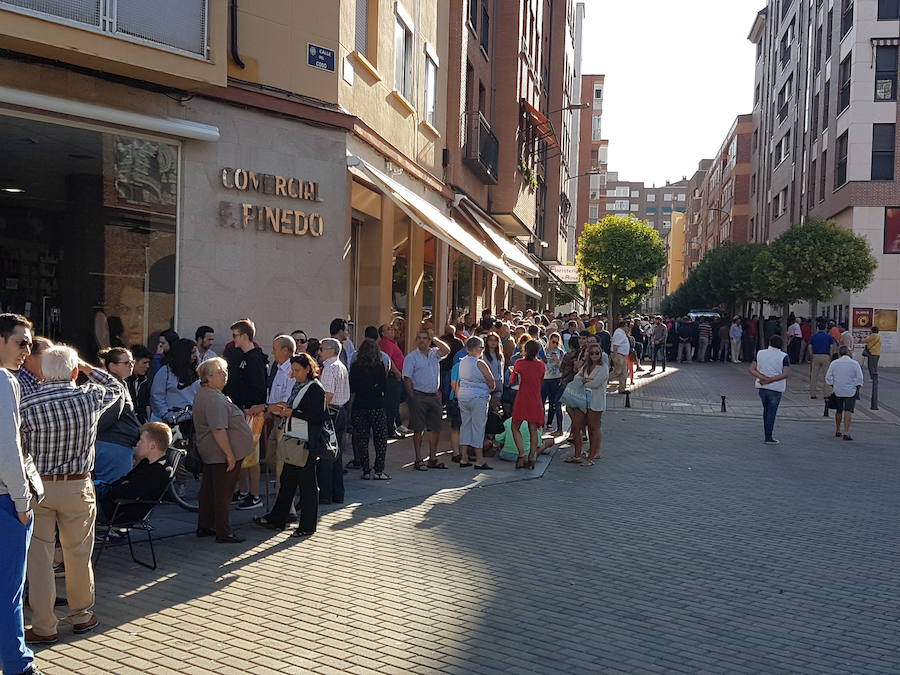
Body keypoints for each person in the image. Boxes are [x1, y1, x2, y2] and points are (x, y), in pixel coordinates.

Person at [21, 345, 124, 644]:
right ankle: (81, 616)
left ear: (42, 372)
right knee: (78, 553)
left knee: (39, 558)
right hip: (78, 485)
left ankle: (43, 625)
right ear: (75, 371)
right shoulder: (88, 397)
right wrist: (88, 367)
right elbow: (116, 386)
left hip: (38, 486)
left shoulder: (27, 403)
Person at [0, 314, 46, 675]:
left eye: (30, 343)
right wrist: (21, 501)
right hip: (5, 500)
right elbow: (9, 449)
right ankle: (18, 665)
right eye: (21, 342)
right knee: (9, 590)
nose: (27, 350)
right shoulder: (4, 380)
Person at [255, 353, 325, 537]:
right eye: (293, 370)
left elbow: (318, 417)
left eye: (298, 370)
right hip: (294, 438)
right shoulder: (300, 385)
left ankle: (307, 526)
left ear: (308, 369)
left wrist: (292, 412)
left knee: (307, 485)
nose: (294, 374)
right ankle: (277, 518)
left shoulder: (316, 388)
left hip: (305, 442)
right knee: (287, 480)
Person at [192, 358, 253, 543]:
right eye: (220, 372)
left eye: (225, 371)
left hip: (213, 452)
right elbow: (218, 429)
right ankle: (223, 531)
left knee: (210, 490)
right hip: (219, 453)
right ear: (208, 377)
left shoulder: (209, 394)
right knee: (223, 493)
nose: (225, 375)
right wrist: (229, 454)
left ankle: (206, 525)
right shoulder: (212, 398)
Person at [223, 319, 268, 511]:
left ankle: (255, 495)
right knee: (242, 454)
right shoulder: (243, 357)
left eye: (235, 336)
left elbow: (259, 388)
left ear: (244, 336)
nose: (233, 340)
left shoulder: (255, 358)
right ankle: (243, 491)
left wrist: (253, 407)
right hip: (242, 411)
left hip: (252, 414)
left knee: (251, 456)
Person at [97, 422, 174, 524]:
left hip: (117, 512)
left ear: (152, 446)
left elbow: (128, 492)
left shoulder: (158, 469)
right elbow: (125, 480)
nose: (137, 444)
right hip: (113, 504)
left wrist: (112, 489)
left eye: (141, 441)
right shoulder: (147, 462)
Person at [94, 348, 142, 491]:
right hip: (113, 447)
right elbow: (108, 417)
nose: (131, 366)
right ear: (112, 366)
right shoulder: (112, 386)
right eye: (126, 363)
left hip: (117, 445)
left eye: (132, 362)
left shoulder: (122, 383)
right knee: (112, 492)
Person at [403, 330, 451, 470]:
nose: (422, 341)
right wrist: (412, 396)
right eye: (419, 338)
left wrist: (434, 338)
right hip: (419, 395)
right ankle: (418, 459)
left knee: (435, 428)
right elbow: (407, 378)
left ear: (429, 340)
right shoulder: (412, 357)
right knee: (418, 429)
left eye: (425, 338)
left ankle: (433, 458)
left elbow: (446, 350)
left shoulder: (434, 354)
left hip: (434, 396)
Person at [349, 339, 390, 480]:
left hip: (360, 405)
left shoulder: (355, 366)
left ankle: (366, 470)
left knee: (362, 439)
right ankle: (379, 470)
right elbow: (385, 387)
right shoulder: (379, 366)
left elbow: (352, 387)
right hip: (376, 405)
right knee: (380, 439)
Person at [317, 338, 350, 503]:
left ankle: (326, 494)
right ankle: (338, 494)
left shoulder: (330, 368)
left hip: (331, 413)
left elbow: (327, 396)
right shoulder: (341, 366)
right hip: (341, 411)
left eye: (321, 349)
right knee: (336, 455)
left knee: (326, 453)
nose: (319, 352)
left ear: (331, 350)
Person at [456, 337, 495, 470]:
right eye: (482, 347)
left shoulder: (462, 362)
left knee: (465, 425)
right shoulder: (480, 363)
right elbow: (491, 380)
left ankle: (464, 456)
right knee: (478, 427)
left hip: (463, 395)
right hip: (478, 396)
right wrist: (490, 388)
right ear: (477, 348)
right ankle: (479, 459)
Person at [510, 340, 546, 469]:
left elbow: (512, 379)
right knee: (533, 429)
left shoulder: (519, 363)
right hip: (535, 398)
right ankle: (532, 456)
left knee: (515, 426)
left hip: (522, 397)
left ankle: (522, 454)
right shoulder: (541, 365)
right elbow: (541, 379)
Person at [748, 335, 790, 445]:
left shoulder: (760, 353)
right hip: (776, 388)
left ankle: (767, 433)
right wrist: (770, 380)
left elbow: (752, 369)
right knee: (772, 412)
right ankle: (769, 436)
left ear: (769, 343)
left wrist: (763, 378)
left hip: (762, 387)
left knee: (766, 411)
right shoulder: (784, 356)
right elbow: (785, 374)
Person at [150, 338, 201, 424]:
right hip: (171, 420)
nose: (195, 356)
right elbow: (157, 396)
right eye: (192, 353)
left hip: (192, 419)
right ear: (183, 354)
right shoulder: (165, 371)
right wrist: (166, 415)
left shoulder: (197, 371)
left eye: (195, 353)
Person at [578, 344, 610, 466]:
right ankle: (591, 451)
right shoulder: (587, 366)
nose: (594, 355)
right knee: (588, 428)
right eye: (592, 353)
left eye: (597, 353)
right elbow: (577, 377)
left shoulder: (603, 368)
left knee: (594, 427)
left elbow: (596, 383)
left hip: (597, 401)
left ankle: (592, 456)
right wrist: (585, 381)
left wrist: (584, 382)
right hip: (585, 400)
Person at [826, 346, 864, 441]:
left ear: (839, 353)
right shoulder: (854, 363)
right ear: (848, 353)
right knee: (848, 410)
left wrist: (833, 385)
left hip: (838, 390)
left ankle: (838, 429)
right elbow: (860, 378)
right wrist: (857, 386)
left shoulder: (834, 363)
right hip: (850, 390)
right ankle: (846, 432)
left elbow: (828, 377)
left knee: (839, 410)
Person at [379, 323, 407, 438]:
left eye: (392, 329)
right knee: (392, 405)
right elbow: (387, 359)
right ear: (383, 333)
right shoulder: (385, 343)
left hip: (396, 377)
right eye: (388, 329)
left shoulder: (391, 343)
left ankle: (393, 426)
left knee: (394, 404)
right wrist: (396, 372)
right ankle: (390, 430)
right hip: (393, 378)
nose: (392, 331)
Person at [541, 332, 565, 435]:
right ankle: (541, 421)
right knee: (541, 400)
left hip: (556, 378)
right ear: (549, 341)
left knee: (553, 402)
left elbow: (562, 367)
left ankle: (549, 422)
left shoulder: (560, 352)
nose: (554, 344)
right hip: (545, 378)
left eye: (556, 342)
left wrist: (557, 360)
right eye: (553, 342)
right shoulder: (544, 351)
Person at [807, 321, 838, 398]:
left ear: (818, 327)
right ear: (825, 328)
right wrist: (830, 356)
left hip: (815, 356)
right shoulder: (829, 337)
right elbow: (831, 347)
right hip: (826, 356)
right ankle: (827, 394)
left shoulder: (813, 336)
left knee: (814, 376)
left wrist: (811, 355)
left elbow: (810, 347)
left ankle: (812, 394)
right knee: (826, 376)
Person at [126, 344, 153, 423]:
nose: (147, 366)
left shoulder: (143, 380)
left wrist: (147, 422)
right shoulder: (125, 381)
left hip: (142, 420)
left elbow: (146, 403)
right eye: (144, 363)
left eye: (148, 363)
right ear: (134, 362)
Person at [609, 320, 630, 393]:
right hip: (618, 354)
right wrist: (615, 357)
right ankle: (604, 379)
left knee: (624, 373)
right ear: (624, 326)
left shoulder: (622, 333)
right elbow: (615, 345)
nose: (628, 328)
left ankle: (622, 389)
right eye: (628, 326)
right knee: (617, 371)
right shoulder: (619, 333)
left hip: (622, 355)